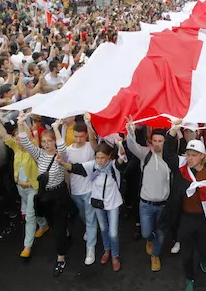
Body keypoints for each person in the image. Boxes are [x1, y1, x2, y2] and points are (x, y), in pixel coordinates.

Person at [163, 120, 206, 291]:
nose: (189, 158)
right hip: (186, 219)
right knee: (187, 253)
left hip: (204, 219)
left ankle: (205, 258)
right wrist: (172, 132)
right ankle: (190, 278)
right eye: (188, 154)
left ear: (202, 157)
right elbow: (168, 155)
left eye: (193, 155)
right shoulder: (182, 168)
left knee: (204, 247)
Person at [58, 141, 127, 271]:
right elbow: (75, 168)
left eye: (103, 158)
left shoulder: (113, 166)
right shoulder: (92, 166)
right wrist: (62, 163)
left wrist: (120, 143)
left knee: (113, 232)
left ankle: (115, 256)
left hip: (113, 203)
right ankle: (107, 251)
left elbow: (121, 160)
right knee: (103, 228)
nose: (100, 161)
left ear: (109, 156)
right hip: (98, 203)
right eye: (98, 157)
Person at [17, 115, 72, 276]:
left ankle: (61, 257)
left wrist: (56, 129)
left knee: (58, 231)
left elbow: (62, 147)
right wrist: (21, 125)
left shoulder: (61, 156)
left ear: (54, 141)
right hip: (46, 198)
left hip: (59, 195)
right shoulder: (39, 155)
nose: (47, 145)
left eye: (50, 141)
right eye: (44, 141)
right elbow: (26, 142)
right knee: (55, 225)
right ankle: (64, 232)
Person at [0, 113, 48, 258]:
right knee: (33, 211)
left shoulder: (33, 150)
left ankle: (27, 246)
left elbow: (27, 137)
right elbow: (5, 137)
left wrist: (22, 125)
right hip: (20, 188)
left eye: (20, 139)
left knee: (29, 216)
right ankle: (43, 224)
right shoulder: (16, 149)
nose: (18, 141)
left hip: (32, 189)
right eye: (16, 139)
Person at [126, 120, 171, 272]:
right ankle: (150, 240)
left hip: (163, 205)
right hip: (145, 204)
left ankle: (155, 255)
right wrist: (130, 130)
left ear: (165, 142)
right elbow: (131, 145)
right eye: (155, 141)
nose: (157, 144)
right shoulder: (145, 154)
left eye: (160, 141)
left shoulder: (171, 158)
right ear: (150, 142)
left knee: (161, 232)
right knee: (146, 232)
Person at [64, 116, 99, 265]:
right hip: (76, 190)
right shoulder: (68, 150)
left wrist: (88, 123)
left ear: (86, 135)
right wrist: (68, 185)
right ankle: (91, 229)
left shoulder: (90, 147)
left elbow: (93, 141)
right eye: (76, 136)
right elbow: (66, 169)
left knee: (90, 219)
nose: (78, 139)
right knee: (84, 216)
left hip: (90, 189)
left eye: (81, 136)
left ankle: (90, 248)